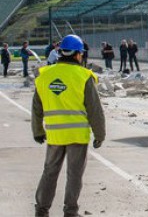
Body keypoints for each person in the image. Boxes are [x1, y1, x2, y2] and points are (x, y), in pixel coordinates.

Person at [32, 34, 106, 217]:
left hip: (55, 136)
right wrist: (100, 134)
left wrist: (37, 131)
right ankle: (70, 211)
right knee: (74, 175)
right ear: (78, 55)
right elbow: (95, 109)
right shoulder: (84, 76)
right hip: (77, 136)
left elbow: (36, 108)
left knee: (49, 172)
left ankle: (41, 210)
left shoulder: (45, 75)